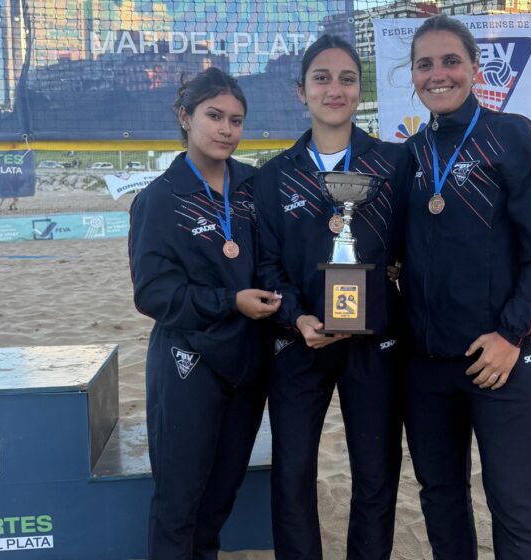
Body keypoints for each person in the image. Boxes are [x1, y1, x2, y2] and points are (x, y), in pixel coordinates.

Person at [401, 15, 531, 559]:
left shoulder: (515, 136)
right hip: (427, 366)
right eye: (425, 64)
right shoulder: (408, 156)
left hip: (504, 357)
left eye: (451, 61)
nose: (438, 74)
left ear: (475, 69)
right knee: (441, 497)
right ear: (412, 76)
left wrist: (511, 334)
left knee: (517, 506)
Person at [253, 34, 411, 560]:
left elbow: (413, 251)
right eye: (322, 78)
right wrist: (298, 318)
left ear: (360, 91)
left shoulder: (393, 165)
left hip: (376, 343)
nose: (334, 89)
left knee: (375, 473)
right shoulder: (274, 176)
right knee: (294, 472)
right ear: (301, 91)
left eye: (347, 79)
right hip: (300, 343)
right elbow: (268, 263)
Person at [128, 67, 281, 560]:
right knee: (178, 505)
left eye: (236, 120)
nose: (226, 130)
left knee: (218, 501)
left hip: (247, 364)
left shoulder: (256, 187)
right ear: (184, 117)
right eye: (214, 116)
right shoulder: (158, 199)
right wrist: (227, 302)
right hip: (187, 362)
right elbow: (153, 294)